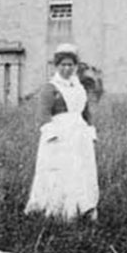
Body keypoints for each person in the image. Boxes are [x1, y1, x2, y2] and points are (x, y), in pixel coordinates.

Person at [24, 43, 99, 221]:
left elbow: (85, 112)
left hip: (79, 135)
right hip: (59, 136)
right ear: (56, 66)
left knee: (82, 170)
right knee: (59, 170)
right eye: (63, 65)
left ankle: (84, 207)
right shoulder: (50, 88)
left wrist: (90, 131)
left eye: (70, 65)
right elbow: (43, 113)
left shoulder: (79, 87)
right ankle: (57, 210)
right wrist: (53, 135)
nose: (67, 68)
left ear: (75, 66)